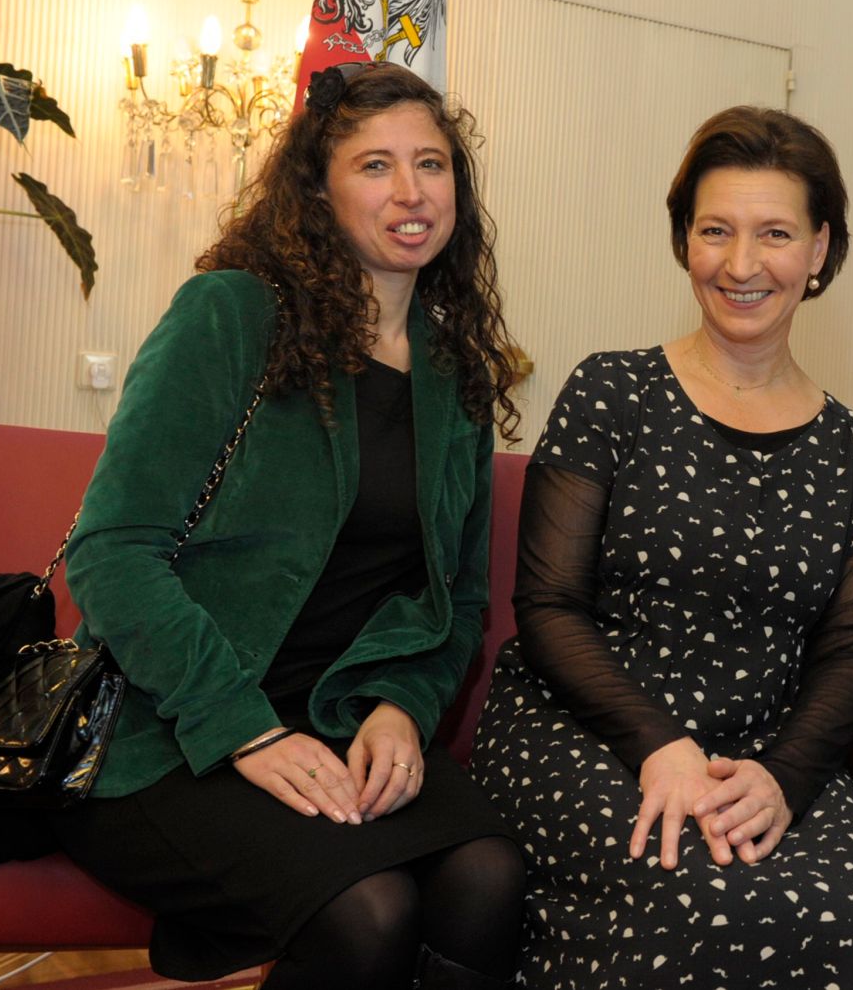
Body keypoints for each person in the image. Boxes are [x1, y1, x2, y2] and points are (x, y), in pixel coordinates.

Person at [54, 63, 526, 989]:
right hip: (172, 729)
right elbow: (111, 552)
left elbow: (457, 599)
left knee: (488, 880)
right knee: (370, 910)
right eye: (375, 165)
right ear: (317, 186)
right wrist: (246, 731)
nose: (410, 192)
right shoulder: (230, 315)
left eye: (432, 165)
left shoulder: (455, 366)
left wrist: (405, 707)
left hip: (343, 723)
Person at [471, 106, 853, 989]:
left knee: (837, 917)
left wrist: (780, 778)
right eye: (716, 231)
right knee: (697, 894)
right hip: (587, 727)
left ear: (819, 250)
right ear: (684, 241)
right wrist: (659, 742)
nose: (742, 265)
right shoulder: (610, 392)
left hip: (771, 752)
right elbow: (548, 605)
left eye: (775, 233)